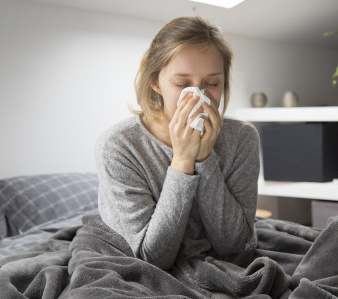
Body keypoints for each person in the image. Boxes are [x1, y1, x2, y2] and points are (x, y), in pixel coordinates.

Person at [95, 16, 260, 271]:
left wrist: (205, 160)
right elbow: (153, 258)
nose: (199, 96)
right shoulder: (119, 146)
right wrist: (183, 161)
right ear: (154, 81)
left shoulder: (242, 137)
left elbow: (236, 246)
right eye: (182, 84)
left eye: (212, 83)